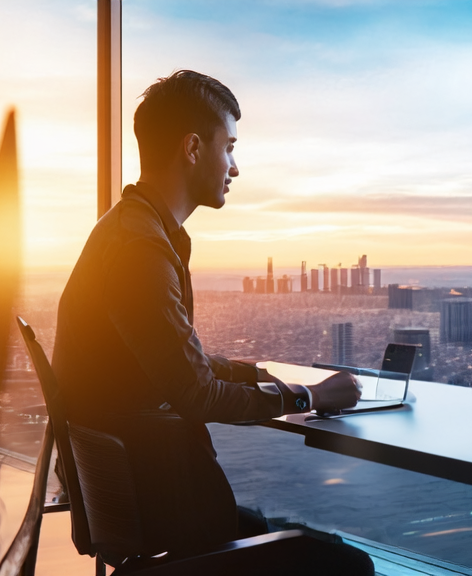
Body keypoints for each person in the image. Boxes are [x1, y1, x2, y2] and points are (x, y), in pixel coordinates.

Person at [52, 70, 373, 574]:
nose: (235, 167)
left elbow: (178, 363)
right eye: (229, 148)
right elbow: (196, 393)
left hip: (159, 508)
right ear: (193, 148)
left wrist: (257, 373)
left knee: (285, 533)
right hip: (176, 517)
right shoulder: (141, 250)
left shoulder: (126, 230)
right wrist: (307, 397)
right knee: (348, 566)